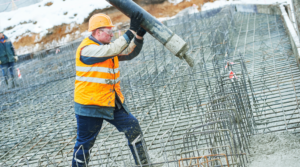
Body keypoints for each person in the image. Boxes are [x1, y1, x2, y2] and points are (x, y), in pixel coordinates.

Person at [72, 12, 149, 167]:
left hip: (110, 100)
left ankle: (145, 164)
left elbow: (128, 52)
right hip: (90, 105)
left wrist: (139, 35)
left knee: (133, 127)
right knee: (84, 145)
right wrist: (131, 30)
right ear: (97, 32)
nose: (112, 34)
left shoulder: (107, 47)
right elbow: (113, 50)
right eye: (109, 31)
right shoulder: (87, 49)